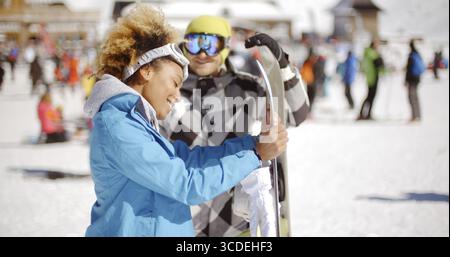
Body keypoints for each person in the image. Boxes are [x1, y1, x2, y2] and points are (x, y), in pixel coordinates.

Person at [83, 5, 288, 237]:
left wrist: (252, 144)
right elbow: (186, 184)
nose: (177, 95)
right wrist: (255, 155)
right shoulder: (118, 126)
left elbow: (189, 158)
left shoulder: (136, 123)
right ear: (147, 71)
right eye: (174, 82)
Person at [160, 15, 309, 236]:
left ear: (226, 47)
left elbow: (297, 113)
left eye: (211, 44)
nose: (202, 53)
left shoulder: (247, 89)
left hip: (236, 219)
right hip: (183, 216)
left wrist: (283, 66)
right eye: (194, 43)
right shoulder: (170, 91)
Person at [357, 39, 384, 121]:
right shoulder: (373, 54)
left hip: (369, 78)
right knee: (371, 97)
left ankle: (363, 113)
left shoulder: (366, 54)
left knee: (369, 97)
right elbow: (379, 66)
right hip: (374, 77)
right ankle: (367, 114)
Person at [405, 39, 425, 122]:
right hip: (417, 78)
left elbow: (409, 69)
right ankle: (418, 115)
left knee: (411, 97)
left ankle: (414, 116)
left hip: (412, 79)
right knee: (415, 97)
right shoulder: (417, 54)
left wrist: (406, 80)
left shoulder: (411, 56)